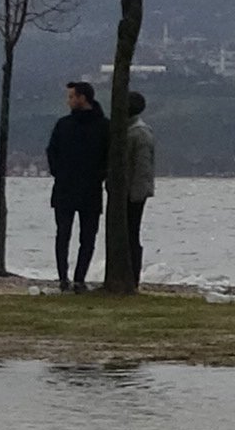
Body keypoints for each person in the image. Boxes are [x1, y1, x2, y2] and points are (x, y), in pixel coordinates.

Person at [43, 81, 105, 292]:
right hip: (67, 188)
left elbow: (108, 157)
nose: (68, 101)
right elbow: (51, 151)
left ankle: (79, 277)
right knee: (64, 234)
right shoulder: (64, 124)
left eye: (71, 96)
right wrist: (59, 172)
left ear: (82, 98)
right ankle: (64, 277)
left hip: (86, 188)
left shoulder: (103, 126)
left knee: (86, 237)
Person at [115, 89, 158, 284]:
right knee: (125, 233)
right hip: (125, 190)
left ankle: (132, 278)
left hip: (133, 193)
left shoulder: (139, 133)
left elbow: (142, 167)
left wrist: (136, 194)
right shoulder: (125, 130)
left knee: (131, 233)